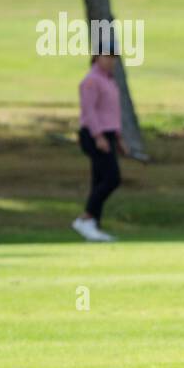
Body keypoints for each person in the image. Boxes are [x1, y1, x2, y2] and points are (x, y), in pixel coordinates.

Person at [72, 45, 126, 243]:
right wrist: (98, 136)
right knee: (112, 178)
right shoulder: (91, 81)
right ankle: (85, 217)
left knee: (99, 179)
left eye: (114, 58)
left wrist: (118, 138)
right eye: (107, 57)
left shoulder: (110, 81)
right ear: (96, 57)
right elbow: (89, 112)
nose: (111, 61)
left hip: (109, 134)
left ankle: (93, 225)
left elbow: (113, 112)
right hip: (94, 134)